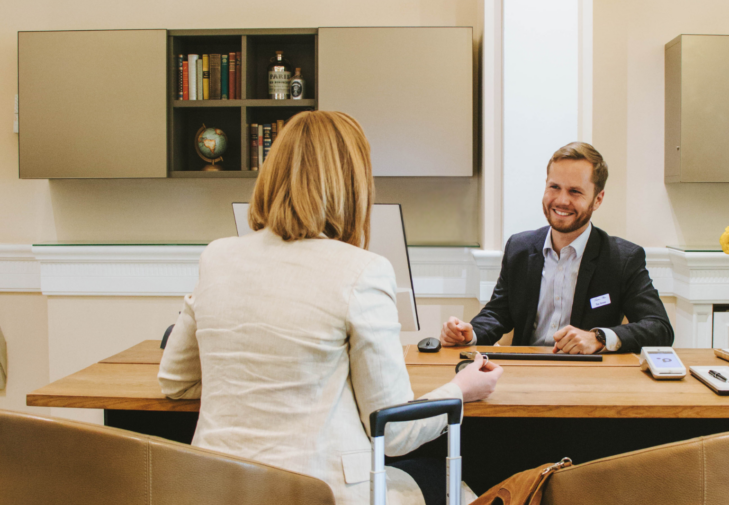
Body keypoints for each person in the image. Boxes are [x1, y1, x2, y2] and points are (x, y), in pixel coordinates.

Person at [158, 111, 502, 505]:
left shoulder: (216, 257)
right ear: (352, 185)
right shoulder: (362, 270)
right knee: (460, 488)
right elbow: (394, 433)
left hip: (216, 487)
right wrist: (461, 389)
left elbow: (176, 381)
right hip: (319, 492)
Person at [441, 142, 673, 354]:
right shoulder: (519, 248)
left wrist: (599, 338)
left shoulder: (622, 258)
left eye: (575, 191)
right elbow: (498, 313)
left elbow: (659, 328)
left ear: (598, 199)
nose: (562, 200)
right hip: (526, 373)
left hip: (589, 375)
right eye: (554, 187)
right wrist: (470, 333)